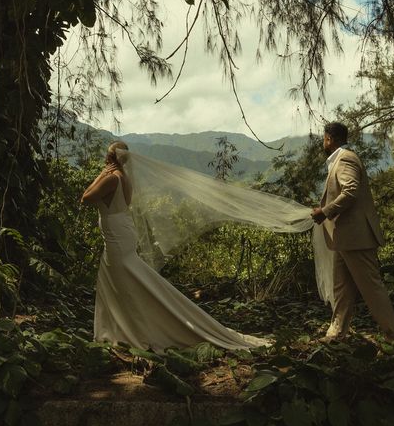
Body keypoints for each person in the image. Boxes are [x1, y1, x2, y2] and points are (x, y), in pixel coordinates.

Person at [81, 141, 272, 353]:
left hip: (117, 236)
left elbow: (86, 198)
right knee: (124, 280)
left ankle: (131, 329)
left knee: (123, 281)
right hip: (122, 232)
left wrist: (101, 173)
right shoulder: (125, 178)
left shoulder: (110, 178)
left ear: (110, 158)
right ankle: (123, 328)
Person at [311, 122, 394, 342]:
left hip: (356, 237)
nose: (323, 142)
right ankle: (336, 333)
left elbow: (350, 191)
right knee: (341, 289)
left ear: (329, 138)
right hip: (344, 239)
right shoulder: (338, 160)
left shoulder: (346, 159)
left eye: (324, 138)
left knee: (371, 288)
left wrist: (325, 211)